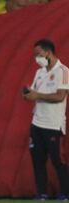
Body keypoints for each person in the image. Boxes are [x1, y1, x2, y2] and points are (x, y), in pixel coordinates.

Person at [23, 39, 69, 201]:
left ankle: (65, 192)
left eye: (38, 54)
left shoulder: (63, 71)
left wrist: (38, 96)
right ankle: (41, 193)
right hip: (37, 122)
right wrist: (29, 94)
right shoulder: (40, 72)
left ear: (48, 52)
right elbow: (35, 92)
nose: (36, 58)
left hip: (53, 124)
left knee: (57, 160)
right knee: (37, 160)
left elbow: (60, 96)